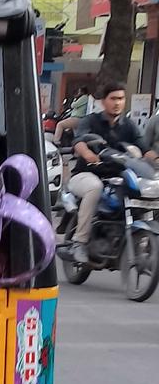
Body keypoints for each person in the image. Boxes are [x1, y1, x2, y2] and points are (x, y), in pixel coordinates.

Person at [67, 83, 144, 263]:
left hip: (117, 178)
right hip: (86, 175)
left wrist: (154, 160)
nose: (117, 103)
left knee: (143, 190)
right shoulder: (91, 121)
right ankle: (80, 242)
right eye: (113, 99)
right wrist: (87, 154)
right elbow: (79, 140)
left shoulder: (129, 126)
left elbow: (144, 147)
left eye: (121, 99)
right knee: (95, 187)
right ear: (103, 101)